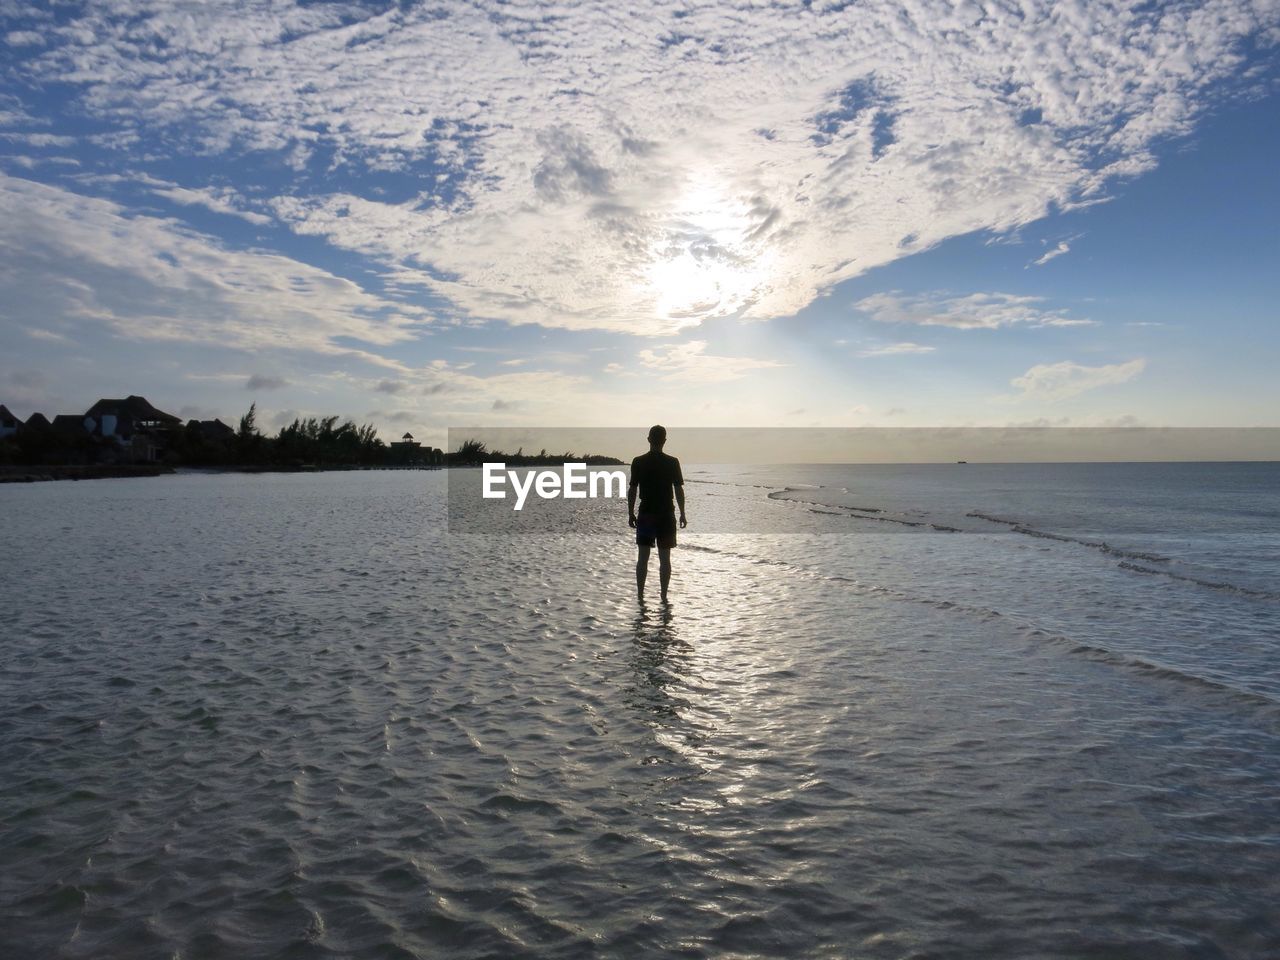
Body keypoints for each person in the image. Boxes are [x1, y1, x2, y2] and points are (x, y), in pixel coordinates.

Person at [628, 424, 686, 603]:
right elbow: (678, 490)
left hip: (646, 513)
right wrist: (683, 513)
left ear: (648, 440)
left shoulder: (638, 461)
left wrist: (630, 512)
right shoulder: (672, 462)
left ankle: (640, 595)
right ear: (664, 441)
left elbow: (633, 489)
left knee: (642, 558)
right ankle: (663, 596)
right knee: (665, 558)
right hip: (666, 514)